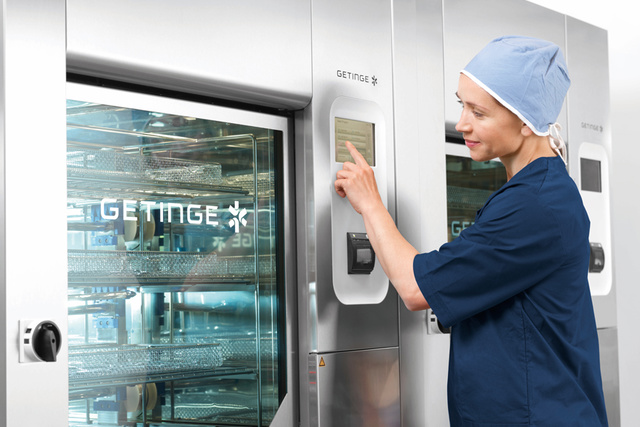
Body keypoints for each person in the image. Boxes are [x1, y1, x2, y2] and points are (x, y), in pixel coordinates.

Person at [334, 35, 608, 426]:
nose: (462, 123)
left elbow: (414, 289)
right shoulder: (541, 192)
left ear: (527, 122)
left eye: (479, 113)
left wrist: (370, 203)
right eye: (461, 104)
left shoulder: (534, 206)